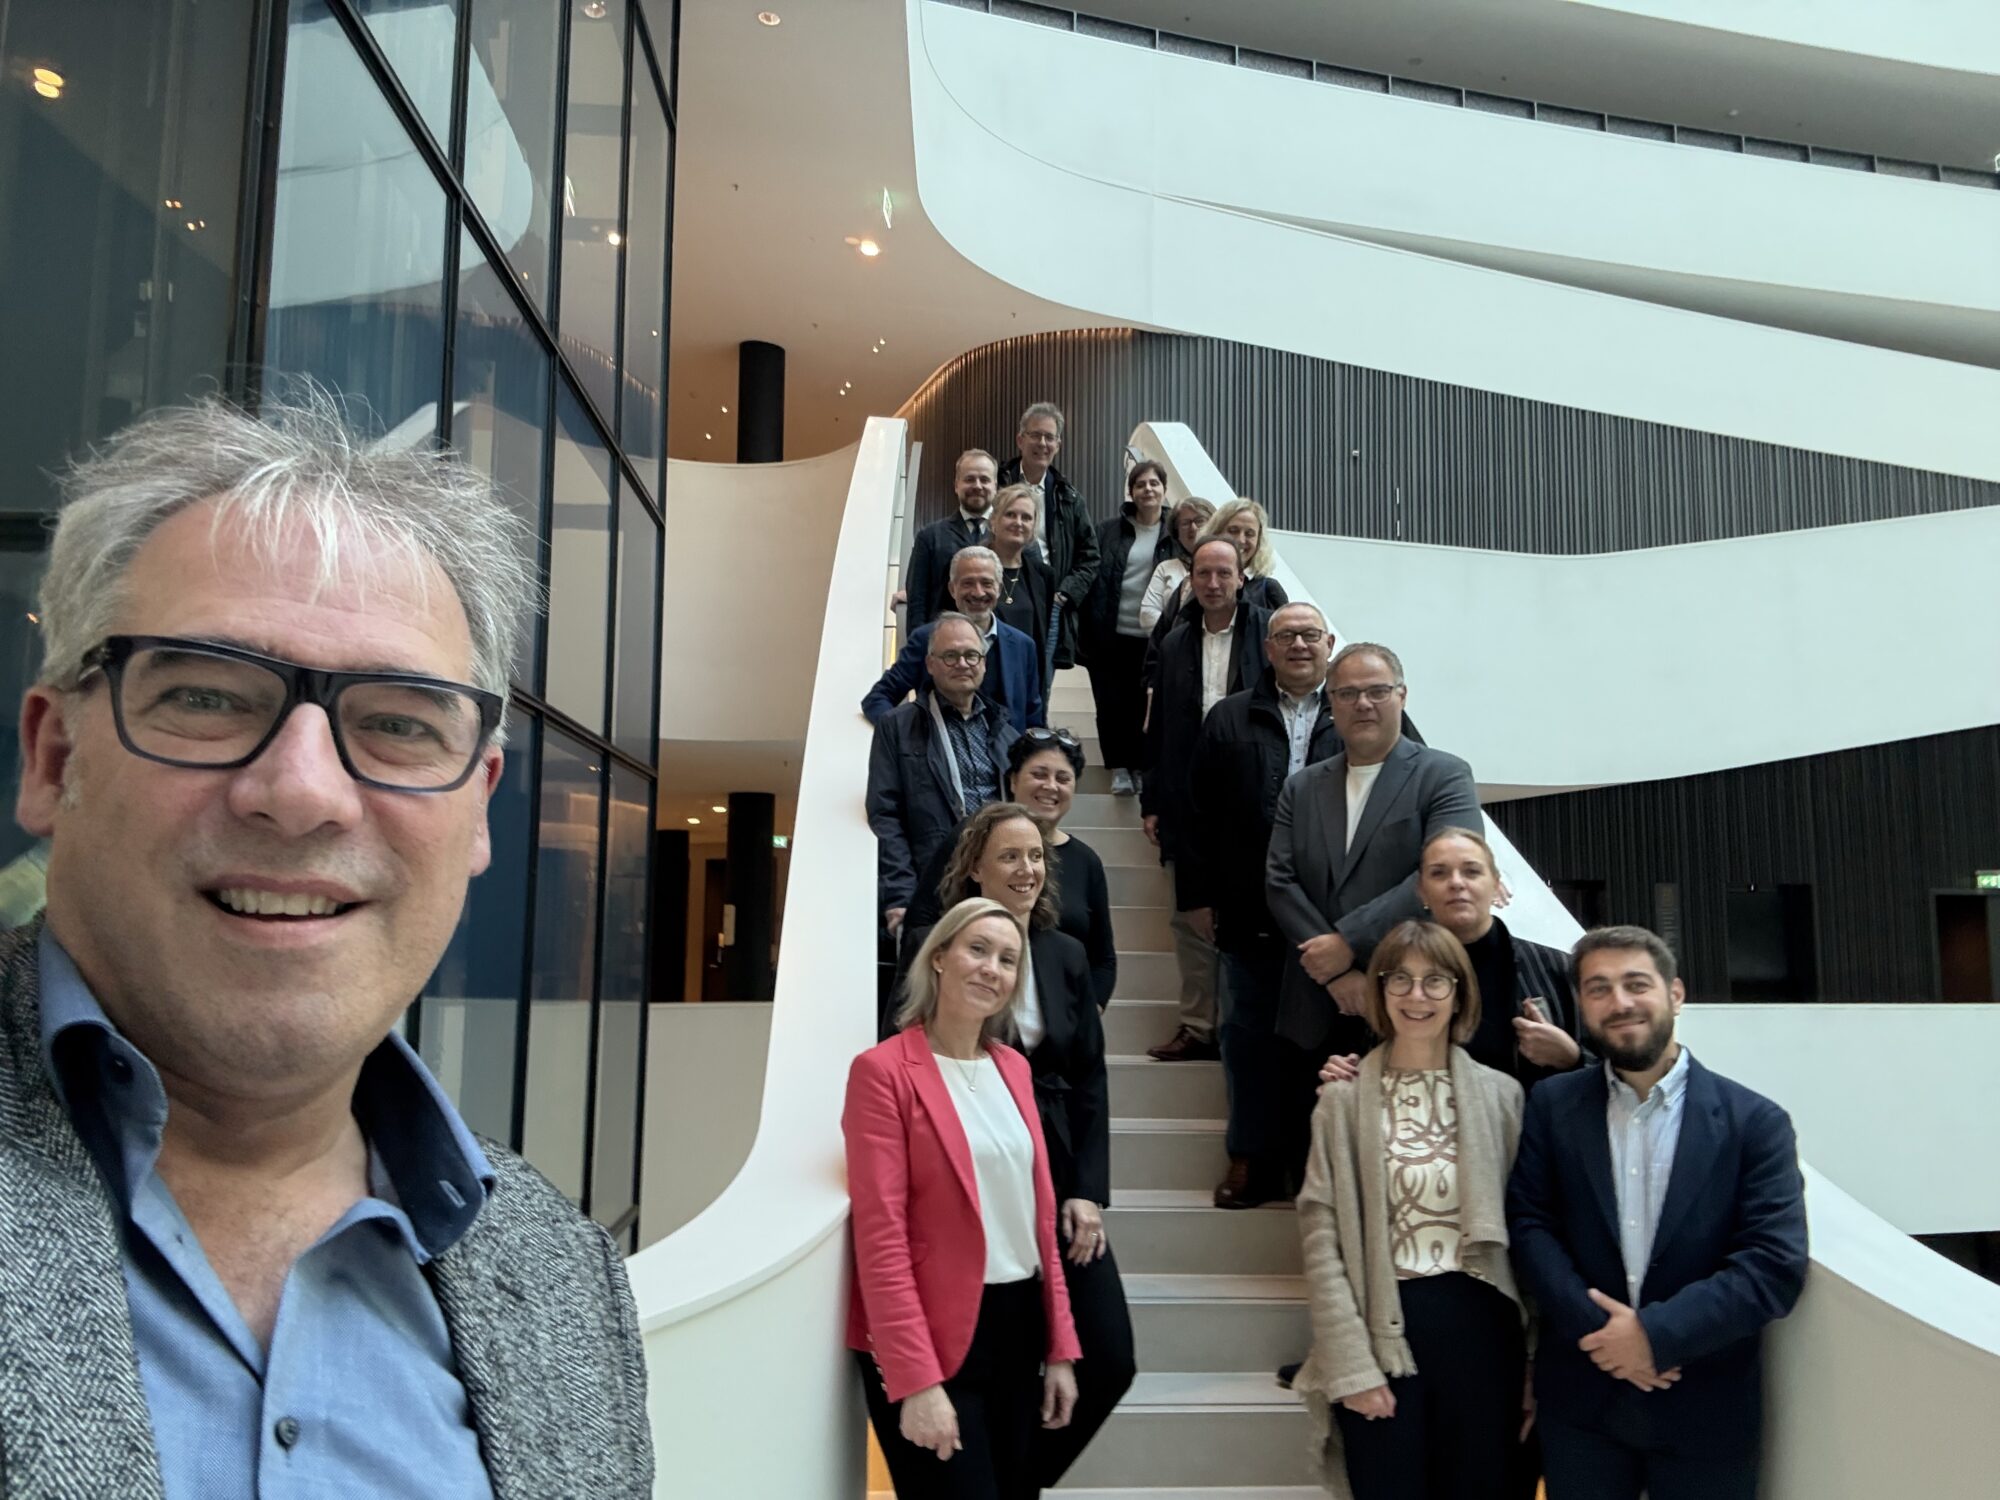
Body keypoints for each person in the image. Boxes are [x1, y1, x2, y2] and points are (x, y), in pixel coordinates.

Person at [0, 393, 652, 1494]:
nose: (303, 793)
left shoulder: (565, 1277)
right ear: (56, 758)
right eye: (207, 695)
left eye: (398, 723)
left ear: (480, 807)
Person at [1507, 926, 1809, 1500]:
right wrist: (1604, 1335)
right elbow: (1529, 1224)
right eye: (1599, 989)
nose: (1619, 1002)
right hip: (1581, 1401)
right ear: (1581, 1005)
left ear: (1675, 994)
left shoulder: (1756, 1122)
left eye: (1636, 984)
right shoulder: (1551, 1105)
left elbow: (1774, 1264)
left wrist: (1654, 1337)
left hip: (1704, 1403)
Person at [900, 807, 1135, 1490]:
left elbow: (1090, 1077)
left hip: (1055, 1167)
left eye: (1036, 856)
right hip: (972, 1170)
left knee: (1109, 1359)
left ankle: (1016, 1476)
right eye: (1009, 856)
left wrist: (1087, 1189)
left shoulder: (1065, 955)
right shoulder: (944, 951)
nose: (1027, 869)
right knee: (1000, 1349)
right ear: (976, 866)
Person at [845, 898, 1082, 1499]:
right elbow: (880, 1238)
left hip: (1018, 1325)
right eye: (977, 950)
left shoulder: (1014, 1069)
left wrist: (1059, 1349)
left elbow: (1039, 1221)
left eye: (1007, 959)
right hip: (933, 1334)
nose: (991, 969)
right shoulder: (882, 1072)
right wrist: (915, 1380)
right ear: (940, 958)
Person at [1293, 921, 1529, 1500]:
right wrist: (1350, 1363)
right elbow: (1322, 1242)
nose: (1416, 995)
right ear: (1379, 990)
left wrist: (1532, 1363)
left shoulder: (1504, 1096)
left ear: (1459, 993)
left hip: (1484, 1329)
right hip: (1387, 1329)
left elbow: (1529, 1232)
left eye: (1434, 981)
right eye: (1399, 979)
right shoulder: (1342, 1101)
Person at [1266, 642, 1481, 1178]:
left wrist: (1350, 946)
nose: (1362, 704)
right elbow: (1280, 881)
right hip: (1315, 1000)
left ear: (1401, 696)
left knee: (1405, 1165)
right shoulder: (1302, 786)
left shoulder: (1444, 775)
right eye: (1347, 694)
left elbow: (1439, 876)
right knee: (1319, 1168)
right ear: (1331, 705)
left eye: (1377, 691)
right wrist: (1335, 969)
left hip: (1412, 997)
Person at [1184, 603, 1343, 1207]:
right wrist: (1197, 896)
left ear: (1328, 643)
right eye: (1286, 636)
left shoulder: (1357, 710)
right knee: (1248, 1039)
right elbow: (1197, 812)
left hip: (1335, 921)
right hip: (1248, 910)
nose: (1299, 645)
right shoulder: (1229, 717)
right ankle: (1250, 1156)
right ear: (1268, 649)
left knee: (1325, 1043)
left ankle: (1312, 1164)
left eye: (1309, 635)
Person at [1141, 538, 1271, 1063]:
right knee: (1189, 915)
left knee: (1252, 917)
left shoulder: (1268, 633)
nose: (1213, 583)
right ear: (1190, 579)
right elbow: (1159, 727)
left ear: (1241, 577)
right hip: (1187, 798)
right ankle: (1199, 1027)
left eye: (1223, 573)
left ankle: (1244, 1027)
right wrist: (1152, 800)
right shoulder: (1174, 641)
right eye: (1203, 574)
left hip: (1253, 796)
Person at [901, 729, 1117, 1017]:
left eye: (1063, 778)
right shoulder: (972, 836)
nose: (1051, 786)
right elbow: (921, 923)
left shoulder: (1086, 861)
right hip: (969, 1008)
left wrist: (1083, 1018)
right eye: (1039, 774)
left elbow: (1103, 959)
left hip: (1056, 1021)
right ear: (1013, 780)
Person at [866, 614, 1020, 935]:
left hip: (997, 884)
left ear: (984, 664)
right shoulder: (896, 727)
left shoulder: (1005, 732)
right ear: (930, 664)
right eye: (950, 656)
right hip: (934, 887)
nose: (962, 664)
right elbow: (886, 816)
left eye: (971, 655)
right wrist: (901, 895)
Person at [865, 546, 1046, 733]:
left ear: (999, 589)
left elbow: (1033, 718)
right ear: (952, 589)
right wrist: (907, 736)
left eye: (986, 583)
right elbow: (877, 698)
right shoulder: (925, 639)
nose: (978, 593)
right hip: (942, 750)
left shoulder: (1023, 646)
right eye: (968, 583)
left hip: (1008, 751)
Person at [1080, 461, 1173, 795]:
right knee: (1111, 704)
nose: (1147, 489)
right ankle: (1119, 767)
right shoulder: (1108, 530)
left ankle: (1141, 766)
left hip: (1154, 638)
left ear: (1164, 489)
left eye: (1154, 483)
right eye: (1140, 484)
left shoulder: (1174, 533)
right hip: (1111, 634)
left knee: (1145, 705)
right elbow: (1090, 572)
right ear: (1131, 491)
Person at [997, 403, 1098, 680]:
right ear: (1020, 440)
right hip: (999, 592)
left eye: (1049, 437)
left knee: (1039, 684)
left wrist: (1064, 594)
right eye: (1035, 435)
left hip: (1047, 602)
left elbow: (1090, 556)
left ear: (1058, 445)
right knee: (998, 674)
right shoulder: (996, 485)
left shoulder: (1069, 498)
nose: (1042, 443)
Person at [1148, 497, 1289, 646]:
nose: (1241, 540)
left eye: (1249, 534)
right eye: (1233, 531)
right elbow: (1160, 642)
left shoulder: (1269, 591)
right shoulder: (1188, 585)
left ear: (1259, 540)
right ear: (1216, 533)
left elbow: (1286, 644)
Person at [905, 449, 1001, 634]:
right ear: (957, 485)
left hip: (997, 641)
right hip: (944, 642)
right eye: (969, 479)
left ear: (995, 486)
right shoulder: (929, 537)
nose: (977, 486)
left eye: (984, 479)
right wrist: (919, 645)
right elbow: (917, 601)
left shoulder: (1010, 536)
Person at [987, 484, 1056, 691]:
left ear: (1033, 527)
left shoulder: (1043, 576)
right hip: (979, 681)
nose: (1018, 522)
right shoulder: (970, 566)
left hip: (1024, 683)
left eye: (1026, 517)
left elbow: (1042, 640)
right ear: (994, 520)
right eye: (1010, 514)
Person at [1138, 495, 1215, 632]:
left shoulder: (1227, 564)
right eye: (1185, 523)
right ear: (1177, 533)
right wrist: (1182, 634)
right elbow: (1147, 615)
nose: (1193, 527)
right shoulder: (1165, 568)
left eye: (1199, 521)